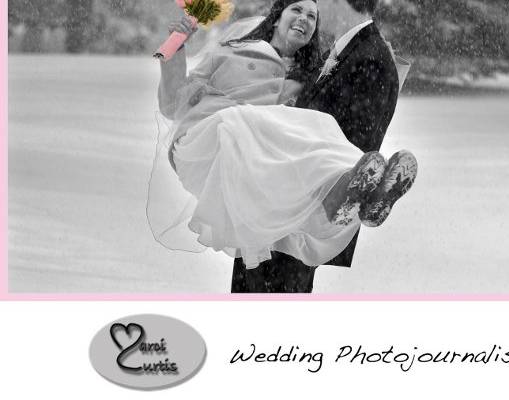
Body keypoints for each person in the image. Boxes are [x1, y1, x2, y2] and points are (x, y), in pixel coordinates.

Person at [147, 0, 416, 286]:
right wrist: (175, 48)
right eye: (297, 10)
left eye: (312, 16)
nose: (305, 18)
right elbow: (172, 103)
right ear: (277, 16)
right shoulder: (232, 50)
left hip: (269, 187)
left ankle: (361, 190)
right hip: (221, 139)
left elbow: (333, 123)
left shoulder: (308, 75)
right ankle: (348, 187)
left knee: (318, 126)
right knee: (267, 122)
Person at [231, 0, 414, 292]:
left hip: (301, 217)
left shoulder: (372, 58)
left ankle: (372, 197)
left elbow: (355, 143)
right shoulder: (346, 50)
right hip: (278, 206)